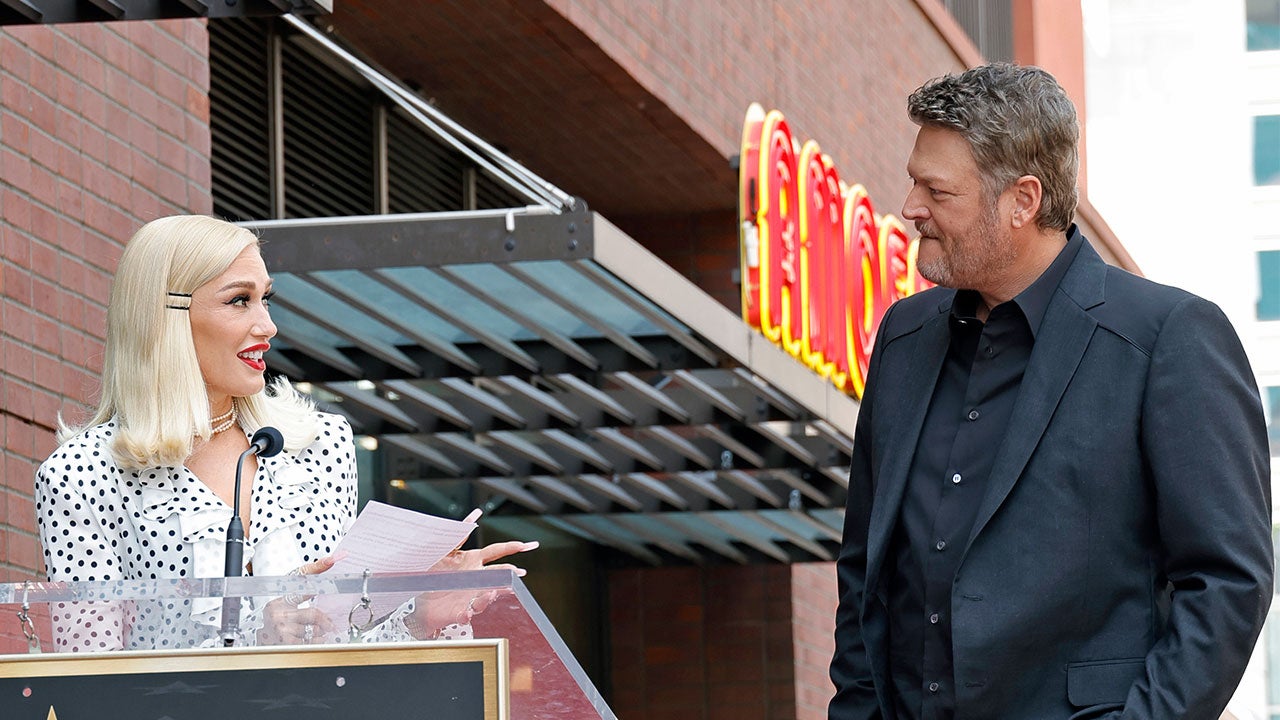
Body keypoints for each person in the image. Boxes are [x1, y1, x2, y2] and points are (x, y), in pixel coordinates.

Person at [828, 63, 1272, 720]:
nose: (911, 207)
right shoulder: (903, 336)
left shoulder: (1168, 338)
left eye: (937, 190)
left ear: (1023, 200)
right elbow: (865, 572)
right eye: (913, 180)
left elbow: (1229, 582)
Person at [35, 214, 534, 651]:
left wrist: (421, 615)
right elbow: (91, 679)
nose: (267, 325)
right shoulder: (81, 476)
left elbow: (345, 641)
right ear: (165, 318)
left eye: (265, 299)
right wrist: (255, 642)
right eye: (239, 301)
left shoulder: (319, 444)